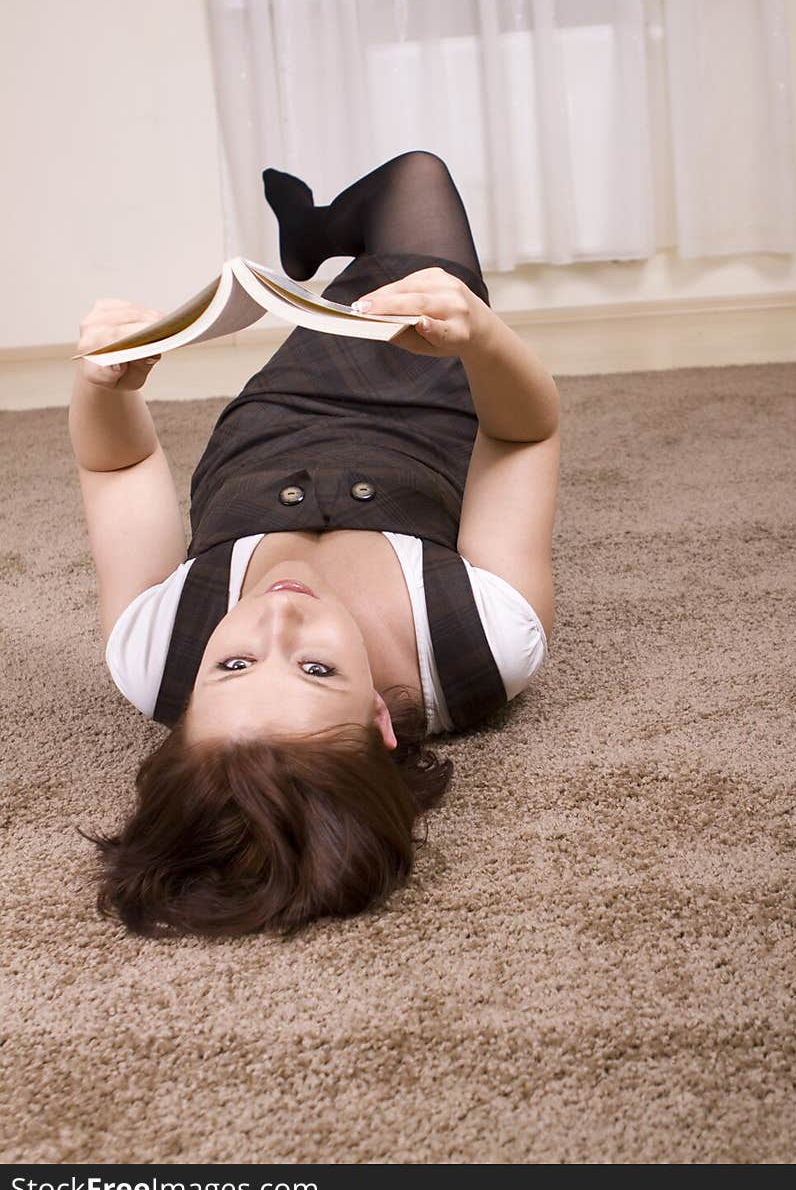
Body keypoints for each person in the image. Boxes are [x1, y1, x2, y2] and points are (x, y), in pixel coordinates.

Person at [69, 151, 560, 939]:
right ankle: (320, 231)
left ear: (188, 701)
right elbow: (525, 436)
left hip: (274, 425)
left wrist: (105, 384)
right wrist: (482, 341)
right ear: (380, 719)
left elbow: (115, 463)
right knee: (419, 183)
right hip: (427, 414)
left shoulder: (152, 654)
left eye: (232, 666)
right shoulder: (480, 642)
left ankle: (320, 235)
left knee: (403, 212)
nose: (276, 624)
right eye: (316, 668)